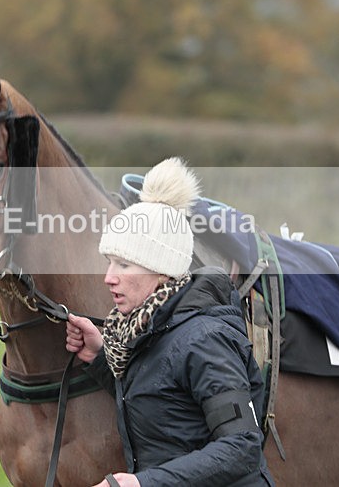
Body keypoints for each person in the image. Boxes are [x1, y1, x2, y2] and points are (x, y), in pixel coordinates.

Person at [66, 157, 274, 487]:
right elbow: (164, 400)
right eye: (109, 263)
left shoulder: (206, 338)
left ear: (161, 271)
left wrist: (140, 483)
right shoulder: (145, 329)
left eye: (123, 265)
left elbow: (242, 447)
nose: (108, 278)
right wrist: (99, 356)